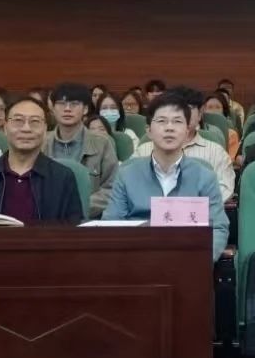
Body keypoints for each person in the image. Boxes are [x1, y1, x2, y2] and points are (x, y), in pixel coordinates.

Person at [103, 93, 228, 261]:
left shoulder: (205, 176)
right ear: (149, 131)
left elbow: (218, 228)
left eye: (177, 121)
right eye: (161, 121)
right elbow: (111, 226)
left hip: (190, 262)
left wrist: (199, 260)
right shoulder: (126, 175)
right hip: (137, 262)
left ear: (187, 131)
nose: (169, 128)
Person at [0, 96, 83, 224]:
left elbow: (73, 230)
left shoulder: (62, 178)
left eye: (35, 122)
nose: (26, 129)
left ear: (45, 129)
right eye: (18, 121)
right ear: (5, 127)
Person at [133, 87, 236, 202]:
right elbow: (130, 186)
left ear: (200, 113)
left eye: (188, 108)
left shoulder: (216, 152)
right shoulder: (143, 150)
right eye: (175, 108)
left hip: (200, 211)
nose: (182, 113)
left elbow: (225, 189)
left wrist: (189, 205)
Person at [42, 82, 119, 218]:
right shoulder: (41, 144)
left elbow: (112, 188)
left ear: (85, 109)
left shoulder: (102, 143)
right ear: (53, 109)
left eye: (74, 104)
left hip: (90, 219)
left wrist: (78, 207)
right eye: (61, 104)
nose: (67, 109)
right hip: (47, 219)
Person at [203, 91, 240, 160]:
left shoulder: (231, 134)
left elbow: (231, 159)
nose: (214, 111)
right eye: (210, 107)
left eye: (218, 107)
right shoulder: (197, 131)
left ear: (224, 111)